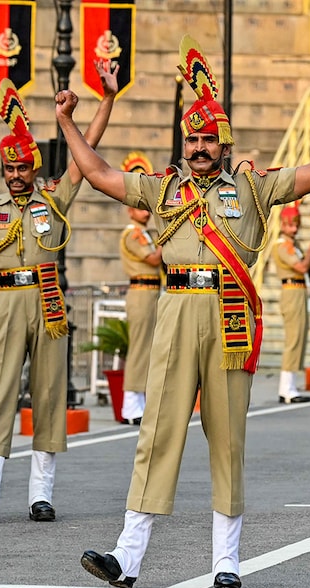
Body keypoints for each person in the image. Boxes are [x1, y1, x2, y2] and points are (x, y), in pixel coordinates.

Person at [55, 34, 310, 588]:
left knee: (227, 441)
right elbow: (100, 175)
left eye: (207, 139)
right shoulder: (164, 188)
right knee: (157, 433)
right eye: (191, 137)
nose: (198, 146)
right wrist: (68, 123)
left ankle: (229, 561)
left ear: (224, 144)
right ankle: (127, 557)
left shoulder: (250, 186)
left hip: (228, 313)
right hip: (174, 309)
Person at [0, 60, 118, 524]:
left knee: (48, 391)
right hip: (4, 299)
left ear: (34, 167)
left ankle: (41, 494)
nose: (15, 175)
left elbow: (88, 150)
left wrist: (108, 99)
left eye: (22, 167)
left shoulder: (55, 197)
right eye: (9, 168)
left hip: (48, 299)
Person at [118, 152, 162, 425]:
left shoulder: (146, 233)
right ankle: (130, 404)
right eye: (140, 207)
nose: (146, 211)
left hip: (152, 291)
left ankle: (140, 401)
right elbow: (154, 258)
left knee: (149, 347)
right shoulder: (132, 233)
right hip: (142, 291)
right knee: (139, 348)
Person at [271, 203, 310, 403]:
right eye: (290, 225)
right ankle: (286, 389)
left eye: (296, 224)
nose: (294, 228)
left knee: (298, 338)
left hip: (300, 291)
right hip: (291, 291)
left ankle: (290, 385)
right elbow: (300, 267)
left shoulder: (294, 245)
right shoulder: (281, 245)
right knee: (293, 340)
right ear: (282, 225)